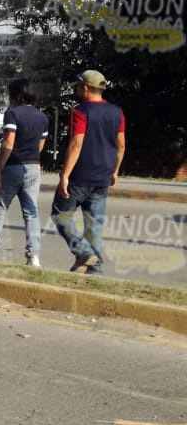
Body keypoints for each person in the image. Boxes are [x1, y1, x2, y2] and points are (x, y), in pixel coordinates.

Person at [52, 70, 125, 274]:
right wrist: (115, 170)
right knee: (95, 225)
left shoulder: (80, 111)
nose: (76, 89)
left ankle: (83, 252)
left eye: (77, 86)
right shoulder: (116, 111)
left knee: (60, 215)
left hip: (80, 176)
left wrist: (64, 175)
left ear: (84, 87)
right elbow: (121, 145)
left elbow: (76, 144)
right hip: (103, 176)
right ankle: (96, 271)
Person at [0, 79, 49, 266]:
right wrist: (34, 159)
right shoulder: (42, 117)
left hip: (12, 167)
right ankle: (33, 256)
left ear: (16, 95)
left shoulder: (12, 114)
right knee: (31, 212)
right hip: (33, 168)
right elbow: (41, 144)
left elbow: (8, 144)